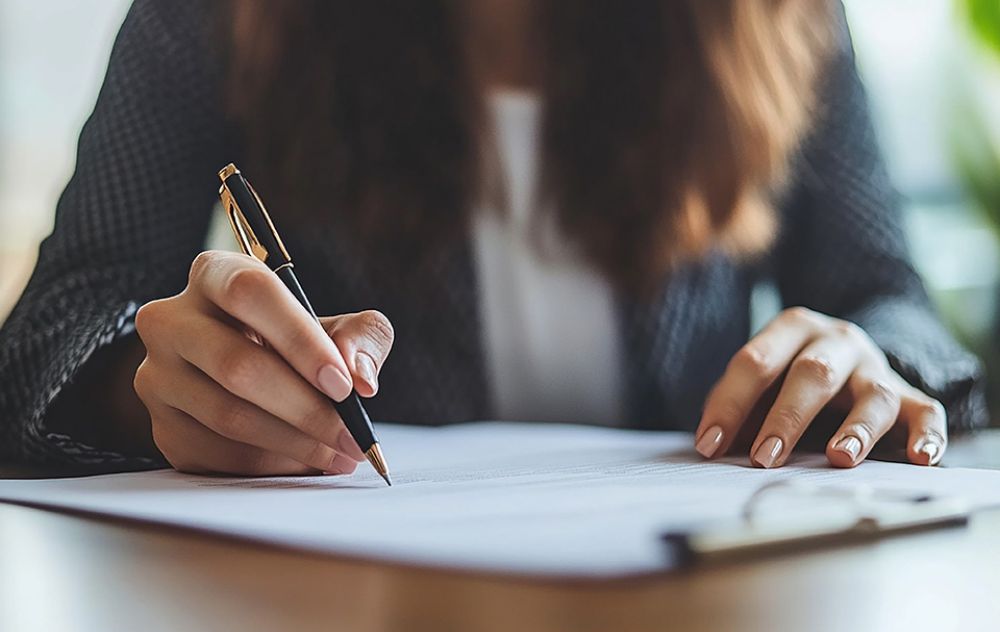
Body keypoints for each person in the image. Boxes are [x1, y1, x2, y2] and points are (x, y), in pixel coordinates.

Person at [0, 0, 985, 476]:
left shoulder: (780, 14)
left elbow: (884, 294)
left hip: (696, 605)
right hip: (340, 616)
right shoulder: (215, 13)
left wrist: (871, 358)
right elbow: (48, 336)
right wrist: (150, 389)